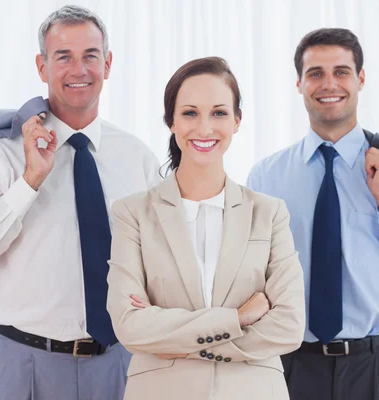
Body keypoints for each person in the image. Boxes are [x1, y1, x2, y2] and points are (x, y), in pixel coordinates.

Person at [0, 5, 159, 399]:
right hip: (24, 365)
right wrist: (30, 181)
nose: (79, 69)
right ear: (42, 67)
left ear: (108, 64)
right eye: (63, 57)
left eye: (90, 56)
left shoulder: (137, 157)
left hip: (118, 364)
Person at [247, 28, 379, 400]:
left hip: (377, 369)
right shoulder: (267, 176)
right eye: (315, 73)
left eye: (341, 71)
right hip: (293, 368)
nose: (329, 83)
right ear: (299, 83)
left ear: (360, 79)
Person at [106, 56, 305, 400]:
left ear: (237, 120)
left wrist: (177, 341)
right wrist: (238, 318)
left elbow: (288, 328)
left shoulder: (270, 214)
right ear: (171, 121)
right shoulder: (133, 213)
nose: (204, 128)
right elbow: (130, 327)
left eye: (218, 112)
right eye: (189, 113)